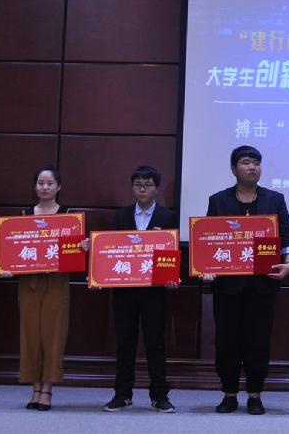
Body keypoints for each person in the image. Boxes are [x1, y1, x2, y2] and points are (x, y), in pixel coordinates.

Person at [202, 146, 289, 415]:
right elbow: (208, 240)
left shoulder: (274, 199)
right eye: (246, 162)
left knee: (258, 341)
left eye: (256, 162)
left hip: (262, 285)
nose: (252, 167)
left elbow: (287, 237)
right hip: (227, 286)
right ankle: (229, 394)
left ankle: (255, 394)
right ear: (234, 169)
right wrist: (205, 268)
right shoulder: (218, 200)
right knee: (227, 342)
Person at [102, 165, 179, 413]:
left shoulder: (168, 217)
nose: (142, 189)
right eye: (138, 185)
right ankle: (122, 394)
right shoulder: (121, 216)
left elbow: (175, 253)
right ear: (132, 188)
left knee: (155, 343)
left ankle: (159, 395)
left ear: (156, 188)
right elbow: (109, 251)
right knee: (125, 343)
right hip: (125, 291)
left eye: (147, 185)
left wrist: (172, 276)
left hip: (155, 291)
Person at [0, 165, 70, 411]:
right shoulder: (24, 215)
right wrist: (6, 266)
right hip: (28, 282)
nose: (45, 187)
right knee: (30, 334)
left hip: (57, 282)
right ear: (35, 186)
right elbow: (12, 248)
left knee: (54, 334)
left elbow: (73, 255)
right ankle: (35, 387)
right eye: (41, 183)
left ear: (59, 187)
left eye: (50, 183)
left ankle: (47, 388)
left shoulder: (69, 216)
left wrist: (82, 247)